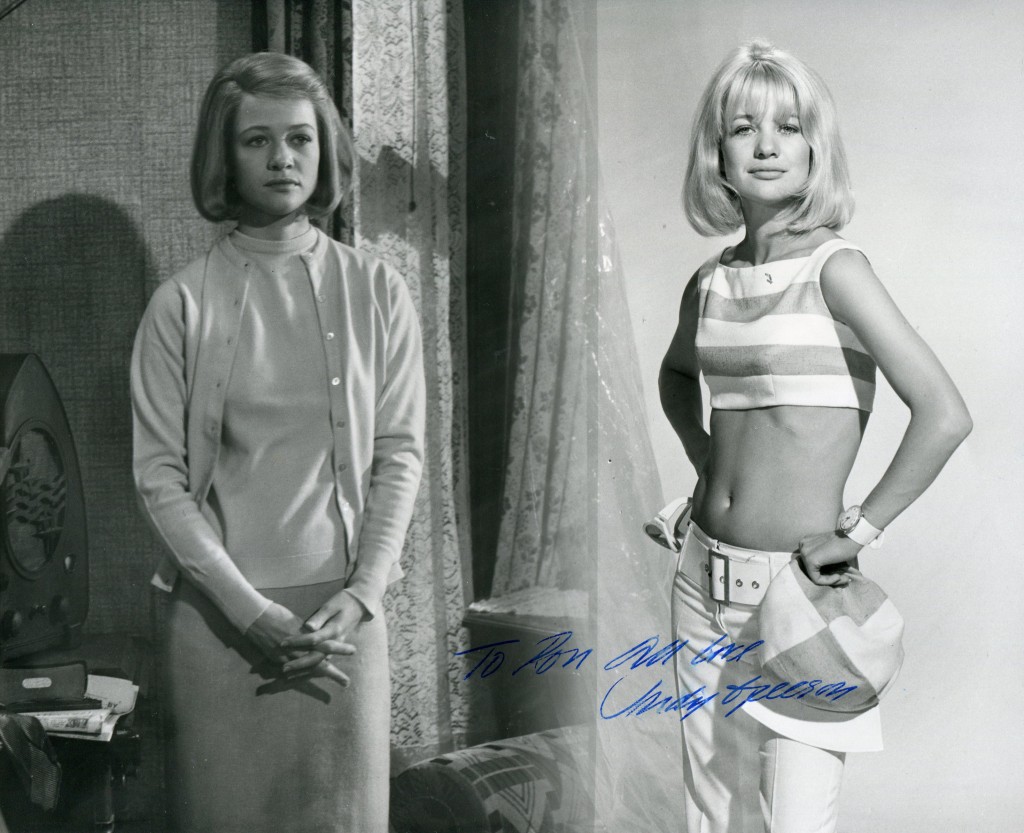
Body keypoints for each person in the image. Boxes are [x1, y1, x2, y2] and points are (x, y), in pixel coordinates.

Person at [658, 40, 971, 833]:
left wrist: (860, 530)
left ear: (813, 148)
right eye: (743, 127)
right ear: (717, 155)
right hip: (699, 580)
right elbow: (676, 374)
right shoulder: (711, 281)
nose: (766, 144)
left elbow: (944, 411)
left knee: (795, 821)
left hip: (797, 592)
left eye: (788, 126)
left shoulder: (837, 268)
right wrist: (704, 460)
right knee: (715, 819)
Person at [131, 52, 425, 833]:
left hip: (343, 625)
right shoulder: (179, 305)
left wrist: (362, 595)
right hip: (218, 623)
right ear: (224, 157)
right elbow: (158, 479)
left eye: (299, 138)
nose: (282, 158)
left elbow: (400, 455)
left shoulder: (378, 291)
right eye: (256, 140)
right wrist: (249, 611)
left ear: (324, 149)